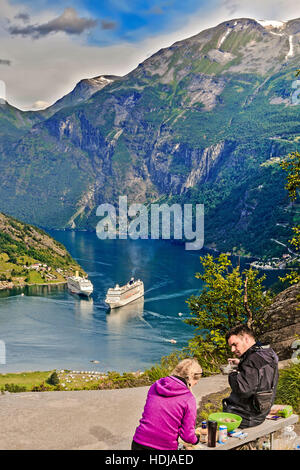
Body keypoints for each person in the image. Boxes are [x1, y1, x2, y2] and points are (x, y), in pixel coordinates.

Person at [131, 358, 202, 450]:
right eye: (196, 382)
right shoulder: (188, 398)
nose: (195, 384)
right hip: (163, 447)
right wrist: (196, 440)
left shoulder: (156, 385)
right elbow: (187, 436)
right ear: (191, 378)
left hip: (139, 442)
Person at [222, 324, 279, 428]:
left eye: (235, 344)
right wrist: (241, 363)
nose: (232, 350)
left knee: (213, 421)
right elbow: (259, 371)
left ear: (246, 339)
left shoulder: (251, 361)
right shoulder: (267, 352)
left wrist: (232, 372)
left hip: (247, 417)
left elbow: (243, 389)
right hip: (262, 410)